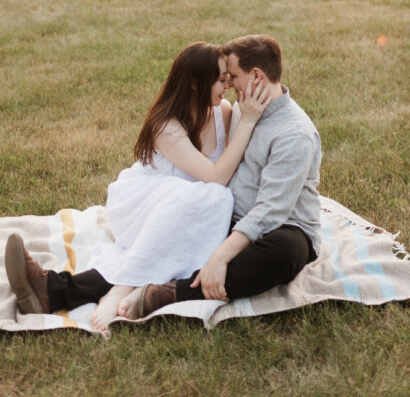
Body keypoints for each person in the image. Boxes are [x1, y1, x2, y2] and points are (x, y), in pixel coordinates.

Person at [5, 41, 270, 332]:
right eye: (221, 80)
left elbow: (232, 169)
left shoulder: (225, 112)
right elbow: (216, 177)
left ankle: (55, 290)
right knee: (214, 196)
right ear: (195, 83)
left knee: (211, 202)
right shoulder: (166, 126)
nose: (228, 86)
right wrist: (249, 122)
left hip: (189, 213)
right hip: (144, 204)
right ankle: (122, 288)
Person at [118, 34, 321, 320]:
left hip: (282, 227)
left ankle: (171, 294)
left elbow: (270, 213)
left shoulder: (294, 134)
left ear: (256, 75)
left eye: (233, 77)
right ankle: (73, 287)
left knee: (284, 253)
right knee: (172, 233)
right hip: (233, 220)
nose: (228, 85)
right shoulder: (240, 111)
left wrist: (220, 255)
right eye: (224, 78)